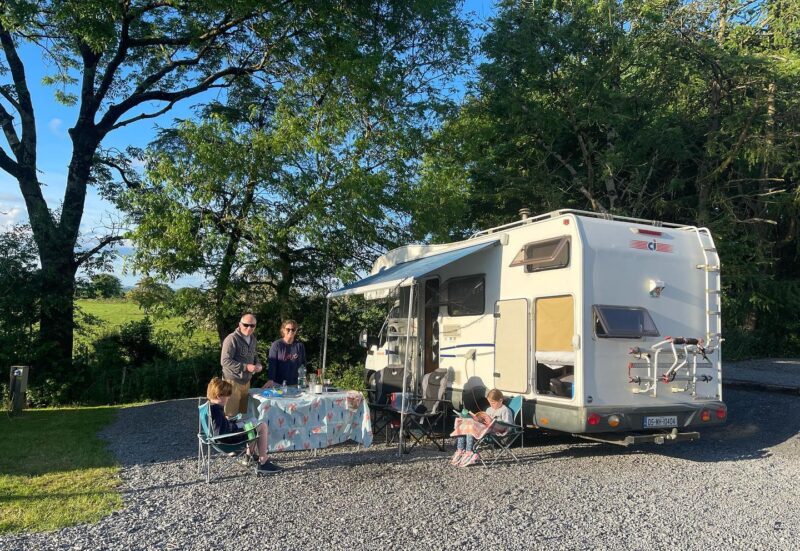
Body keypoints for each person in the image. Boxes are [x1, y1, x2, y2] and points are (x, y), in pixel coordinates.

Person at [206, 377, 281, 475]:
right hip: (226, 440)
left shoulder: (211, 406)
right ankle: (263, 462)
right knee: (262, 426)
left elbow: (219, 426)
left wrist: (230, 421)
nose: (229, 398)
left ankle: (249, 456)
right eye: (227, 395)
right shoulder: (216, 410)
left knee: (251, 422)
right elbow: (221, 432)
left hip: (220, 437)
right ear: (219, 396)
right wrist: (236, 426)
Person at [450, 388, 514, 467]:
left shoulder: (505, 410)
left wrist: (493, 421)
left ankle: (469, 452)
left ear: (501, 400)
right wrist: (479, 420)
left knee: (471, 427)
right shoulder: (489, 409)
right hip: (484, 429)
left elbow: (508, 425)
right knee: (465, 423)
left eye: (493, 403)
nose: (491, 405)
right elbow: (483, 420)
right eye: (490, 403)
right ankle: (460, 450)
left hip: (496, 433)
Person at [221, 313, 263, 417]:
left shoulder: (253, 339)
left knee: (244, 415)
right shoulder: (231, 339)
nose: (249, 328)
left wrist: (258, 364)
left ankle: (242, 434)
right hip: (232, 381)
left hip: (246, 382)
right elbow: (224, 361)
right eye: (246, 325)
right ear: (240, 324)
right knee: (230, 415)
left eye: (252, 325)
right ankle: (229, 433)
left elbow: (254, 355)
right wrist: (246, 367)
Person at [267, 319, 306, 387]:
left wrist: (304, 378)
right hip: (279, 384)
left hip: (296, 384)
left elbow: (303, 364)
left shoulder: (300, 346)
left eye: (293, 329)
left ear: (295, 331)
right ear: (283, 330)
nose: (290, 331)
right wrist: (271, 380)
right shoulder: (276, 345)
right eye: (288, 329)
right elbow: (272, 365)